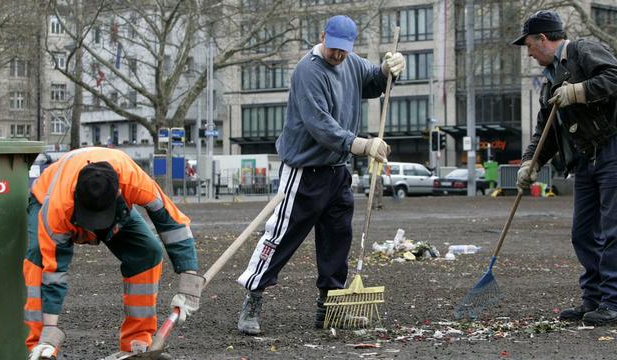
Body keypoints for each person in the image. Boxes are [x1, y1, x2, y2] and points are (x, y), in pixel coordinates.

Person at [235, 14, 404, 335]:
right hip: (303, 171)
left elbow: (371, 81)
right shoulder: (308, 70)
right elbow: (319, 124)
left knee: (337, 237)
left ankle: (330, 308)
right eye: (334, 48)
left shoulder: (351, 63)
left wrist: (386, 70)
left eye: (344, 50)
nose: (338, 55)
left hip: (337, 171)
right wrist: (360, 143)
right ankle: (252, 300)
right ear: (322, 36)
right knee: (280, 236)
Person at [24, 147, 204, 359]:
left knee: (147, 252)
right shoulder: (56, 208)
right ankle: (41, 347)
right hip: (51, 200)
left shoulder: (134, 180)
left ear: (119, 192)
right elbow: (53, 274)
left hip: (114, 209)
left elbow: (172, 223)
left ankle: (136, 343)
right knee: (39, 261)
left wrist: (190, 283)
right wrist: (49, 334)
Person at [513, 10, 617, 325]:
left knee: (613, 230)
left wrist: (579, 91)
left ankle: (613, 302)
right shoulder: (549, 83)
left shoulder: (582, 51)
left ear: (544, 39)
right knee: (583, 232)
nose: (529, 54)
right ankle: (594, 300)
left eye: (530, 45)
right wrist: (531, 162)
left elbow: (614, 77)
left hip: (611, 148)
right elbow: (546, 131)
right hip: (585, 158)